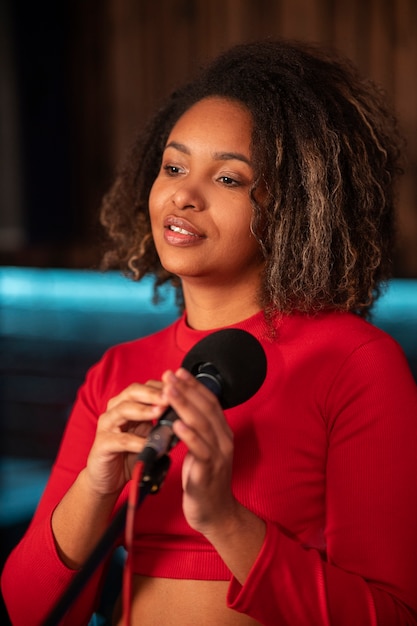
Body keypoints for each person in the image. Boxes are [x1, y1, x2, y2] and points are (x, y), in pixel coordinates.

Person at [2, 38, 417, 626]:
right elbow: (26, 612)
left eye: (228, 179)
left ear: (297, 205)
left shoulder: (355, 363)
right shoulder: (119, 375)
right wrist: (93, 491)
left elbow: (392, 615)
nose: (183, 195)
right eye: (174, 167)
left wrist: (223, 519)